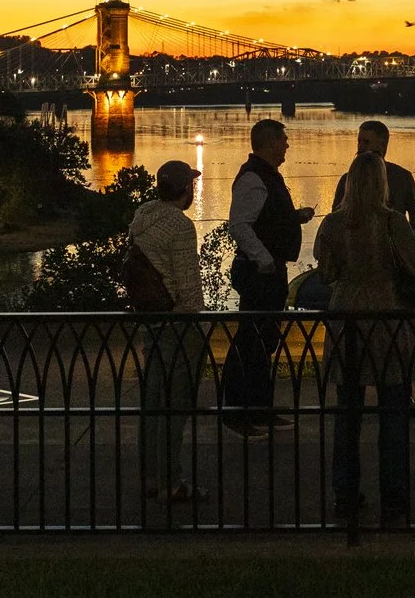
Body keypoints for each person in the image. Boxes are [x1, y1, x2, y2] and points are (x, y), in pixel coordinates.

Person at [313, 150, 415, 529]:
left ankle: (344, 495)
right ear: (382, 184)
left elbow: (326, 273)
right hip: (386, 315)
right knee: (393, 409)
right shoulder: (393, 222)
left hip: (345, 315)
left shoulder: (332, 225)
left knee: (347, 412)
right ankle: (393, 498)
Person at [219, 118, 314, 433]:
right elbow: (240, 225)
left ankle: (259, 407)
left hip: (268, 271)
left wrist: (293, 217)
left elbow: (263, 219)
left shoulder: (266, 176)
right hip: (260, 272)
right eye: (283, 140)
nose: (287, 145)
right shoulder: (254, 179)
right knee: (251, 340)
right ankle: (237, 411)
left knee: (264, 340)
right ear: (270, 143)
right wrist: (263, 259)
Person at [130, 159, 206, 509]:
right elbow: (189, 288)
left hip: (151, 322)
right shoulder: (179, 226)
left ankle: (148, 478)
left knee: (152, 403)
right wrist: (199, 322)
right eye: (191, 184)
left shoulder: (143, 215)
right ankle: (172, 482)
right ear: (186, 189)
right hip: (177, 326)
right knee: (176, 407)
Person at [330, 120, 415, 232]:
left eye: (366, 142)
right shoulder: (346, 180)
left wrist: (403, 242)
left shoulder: (402, 177)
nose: (361, 147)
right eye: (359, 141)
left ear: (382, 144)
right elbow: (335, 218)